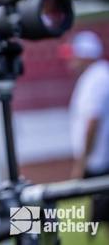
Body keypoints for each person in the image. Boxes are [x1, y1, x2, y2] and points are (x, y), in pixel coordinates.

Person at [62, 30, 109, 237]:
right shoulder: (96, 76)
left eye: (74, 54)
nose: (70, 59)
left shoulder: (97, 78)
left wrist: (82, 162)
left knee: (96, 214)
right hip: (98, 159)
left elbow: (92, 121)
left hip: (99, 161)